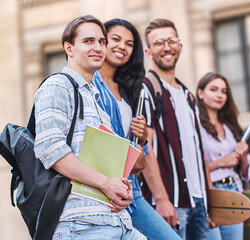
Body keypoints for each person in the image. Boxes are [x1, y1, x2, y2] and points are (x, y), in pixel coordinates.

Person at [33, 15, 145, 239]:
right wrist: (106, 183)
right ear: (69, 47)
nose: (98, 47)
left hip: (116, 221)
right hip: (81, 226)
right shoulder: (57, 85)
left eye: (102, 42)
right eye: (88, 41)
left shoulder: (95, 99)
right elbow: (50, 150)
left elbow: (111, 163)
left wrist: (121, 188)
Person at [92, 18, 181, 240]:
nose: (122, 46)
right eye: (116, 39)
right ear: (102, 41)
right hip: (100, 187)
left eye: (129, 43)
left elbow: (140, 158)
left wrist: (141, 140)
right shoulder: (90, 84)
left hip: (132, 189)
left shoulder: (131, 90)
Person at [141, 18, 210, 240]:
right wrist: (161, 199)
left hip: (199, 201)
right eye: (159, 42)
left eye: (171, 40)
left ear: (180, 46)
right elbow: (145, 148)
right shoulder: (147, 89)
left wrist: (210, 199)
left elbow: (199, 152)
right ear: (149, 52)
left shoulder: (188, 95)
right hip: (172, 202)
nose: (166, 47)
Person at [196, 72, 250, 240]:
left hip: (233, 192)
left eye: (223, 91)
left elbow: (246, 173)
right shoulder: (195, 126)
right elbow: (192, 167)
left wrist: (243, 156)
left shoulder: (230, 128)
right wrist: (222, 162)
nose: (219, 95)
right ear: (200, 93)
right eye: (213, 89)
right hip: (210, 192)